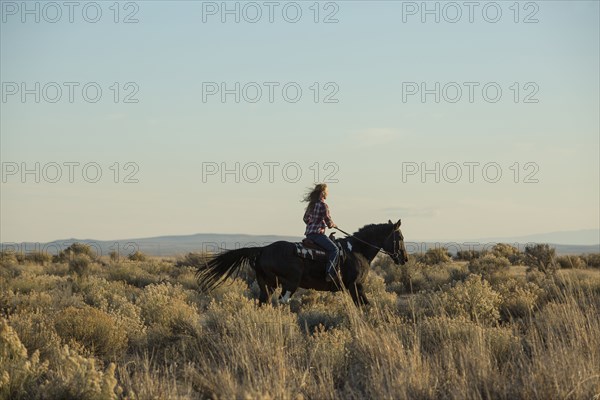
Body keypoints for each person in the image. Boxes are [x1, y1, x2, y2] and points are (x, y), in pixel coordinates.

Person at [302, 183, 339, 282]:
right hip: (317, 234)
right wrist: (333, 225)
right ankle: (329, 273)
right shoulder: (323, 205)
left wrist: (314, 222)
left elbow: (305, 219)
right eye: (327, 191)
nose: (328, 193)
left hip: (309, 234)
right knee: (334, 250)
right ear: (323, 192)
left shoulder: (311, 205)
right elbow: (328, 221)